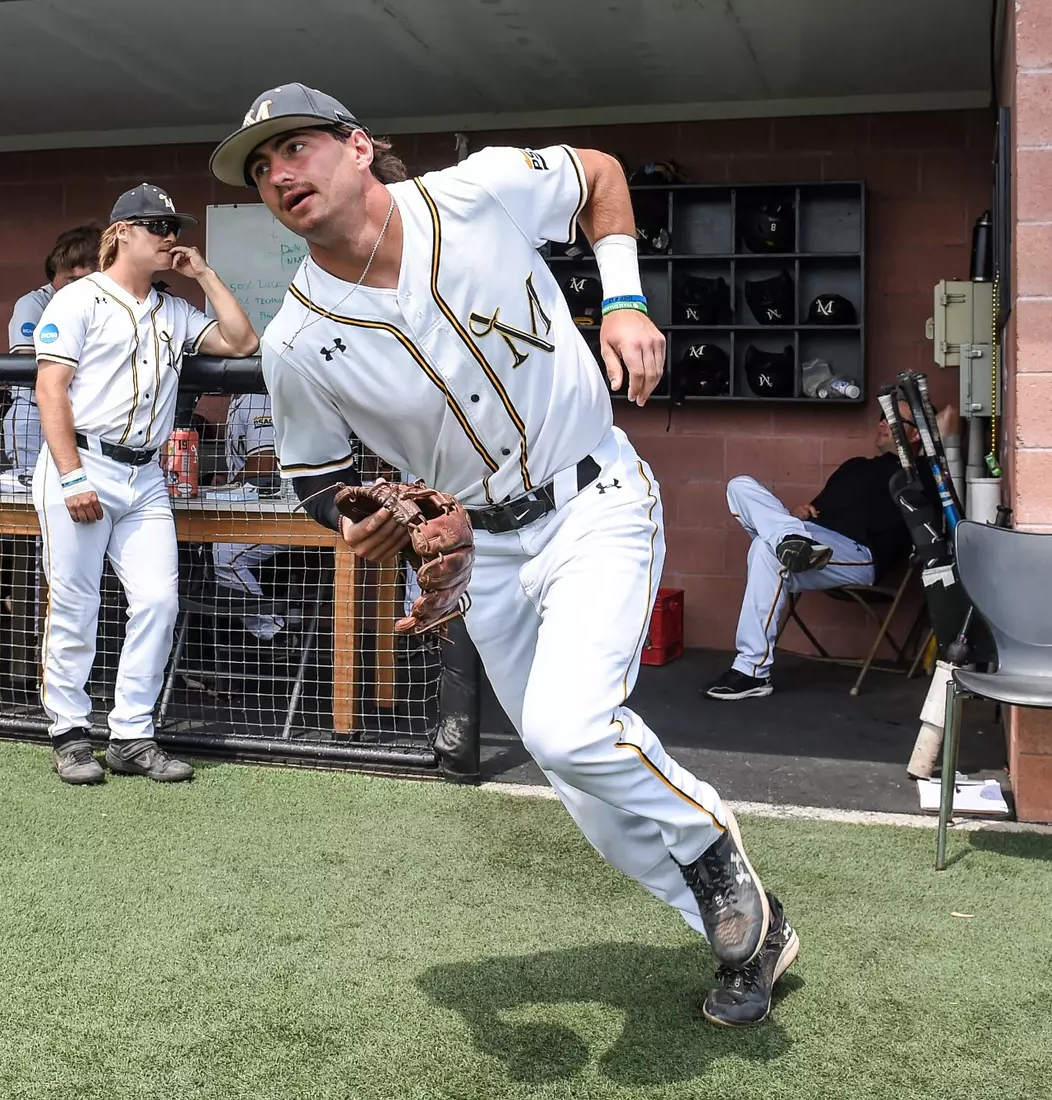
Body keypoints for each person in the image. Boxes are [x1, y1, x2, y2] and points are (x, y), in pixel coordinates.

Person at [209, 83, 795, 1028]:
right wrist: (355, 525)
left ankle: (713, 850)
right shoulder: (295, 340)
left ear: (357, 148)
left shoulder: (472, 194)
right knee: (578, 785)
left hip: (591, 497)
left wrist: (625, 301)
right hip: (478, 552)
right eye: (260, 167)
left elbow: (597, 174)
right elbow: (319, 478)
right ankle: (747, 934)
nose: (279, 173)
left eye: (298, 147)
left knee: (571, 731)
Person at [31, 183, 257, 786]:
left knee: (158, 600)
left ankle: (131, 733)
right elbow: (49, 390)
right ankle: (69, 732)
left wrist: (204, 274)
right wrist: (72, 474)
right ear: (122, 232)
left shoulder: (174, 309)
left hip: (145, 473)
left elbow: (242, 341)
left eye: (172, 228)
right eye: (157, 227)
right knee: (75, 603)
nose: (169, 238)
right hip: (82, 462)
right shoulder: (78, 299)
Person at [705, 400, 958, 701]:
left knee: (765, 548)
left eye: (891, 419)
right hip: (813, 539)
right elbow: (819, 508)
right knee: (739, 485)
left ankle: (751, 670)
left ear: (916, 435)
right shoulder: (854, 466)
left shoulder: (918, 477)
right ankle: (789, 539)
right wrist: (801, 513)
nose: (880, 422)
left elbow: (951, 415)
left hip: (859, 552)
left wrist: (920, 429)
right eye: (881, 416)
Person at [7, 224, 101, 475]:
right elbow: (26, 361)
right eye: (69, 276)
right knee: (32, 495)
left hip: (80, 416)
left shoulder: (98, 302)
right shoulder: (34, 303)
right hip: (35, 414)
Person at [211, 392, 294, 639]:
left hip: (287, 515)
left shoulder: (258, 396)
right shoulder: (239, 397)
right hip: (255, 513)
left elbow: (265, 465)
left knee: (223, 555)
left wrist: (229, 487)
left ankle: (275, 635)